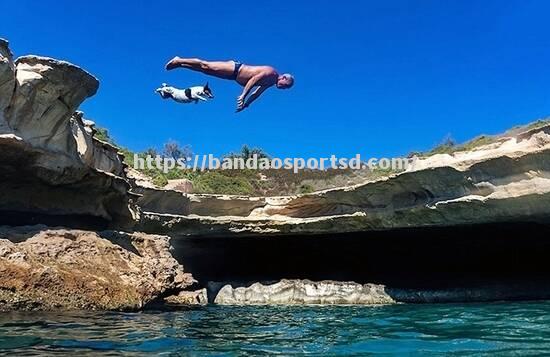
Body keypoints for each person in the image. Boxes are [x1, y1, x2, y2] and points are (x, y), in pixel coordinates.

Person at [165, 57, 294, 112]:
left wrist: (246, 104)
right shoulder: (271, 73)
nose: (283, 88)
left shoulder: (270, 83)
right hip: (235, 68)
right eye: (285, 85)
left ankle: (180, 65)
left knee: (205, 71)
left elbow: (256, 93)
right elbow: (253, 79)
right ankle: (179, 60)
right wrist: (243, 95)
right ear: (283, 77)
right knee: (206, 65)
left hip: (232, 77)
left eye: (286, 88)